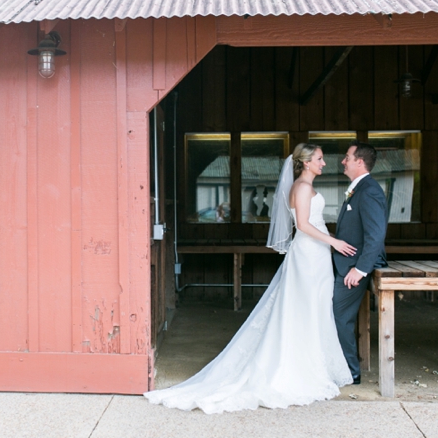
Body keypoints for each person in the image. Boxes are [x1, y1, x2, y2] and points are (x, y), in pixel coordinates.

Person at [144, 143, 357, 414]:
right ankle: (298, 368)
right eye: (319, 158)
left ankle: (312, 363)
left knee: (315, 308)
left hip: (317, 255)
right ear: (306, 162)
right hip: (308, 255)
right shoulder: (302, 188)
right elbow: (302, 226)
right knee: (304, 309)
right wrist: (334, 241)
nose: (324, 163)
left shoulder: (306, 186)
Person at [332, 141, 388, 385]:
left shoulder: (370, 191)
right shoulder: (358, 188)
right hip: (347, 263)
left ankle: (350, 372)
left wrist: (360, 269)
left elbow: (375, 234)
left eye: (347, 157)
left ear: (359, 162)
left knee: (340, 317)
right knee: (337, 316)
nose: (343, 161)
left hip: (354, 268)